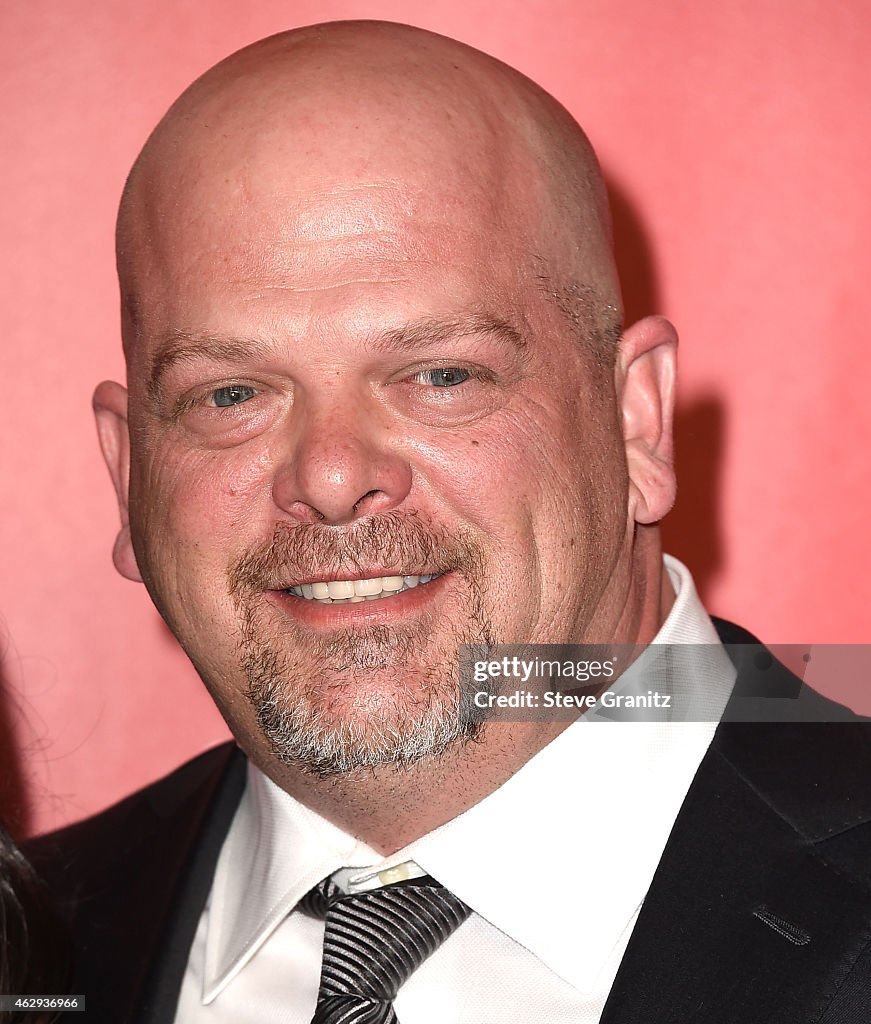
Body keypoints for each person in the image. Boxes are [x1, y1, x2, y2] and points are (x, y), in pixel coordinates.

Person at [26, 19, 871, 1024]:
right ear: (128, 471)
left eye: (440, 375)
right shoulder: (33, 938)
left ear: (636, 423)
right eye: (230, 395)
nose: (333, 476)